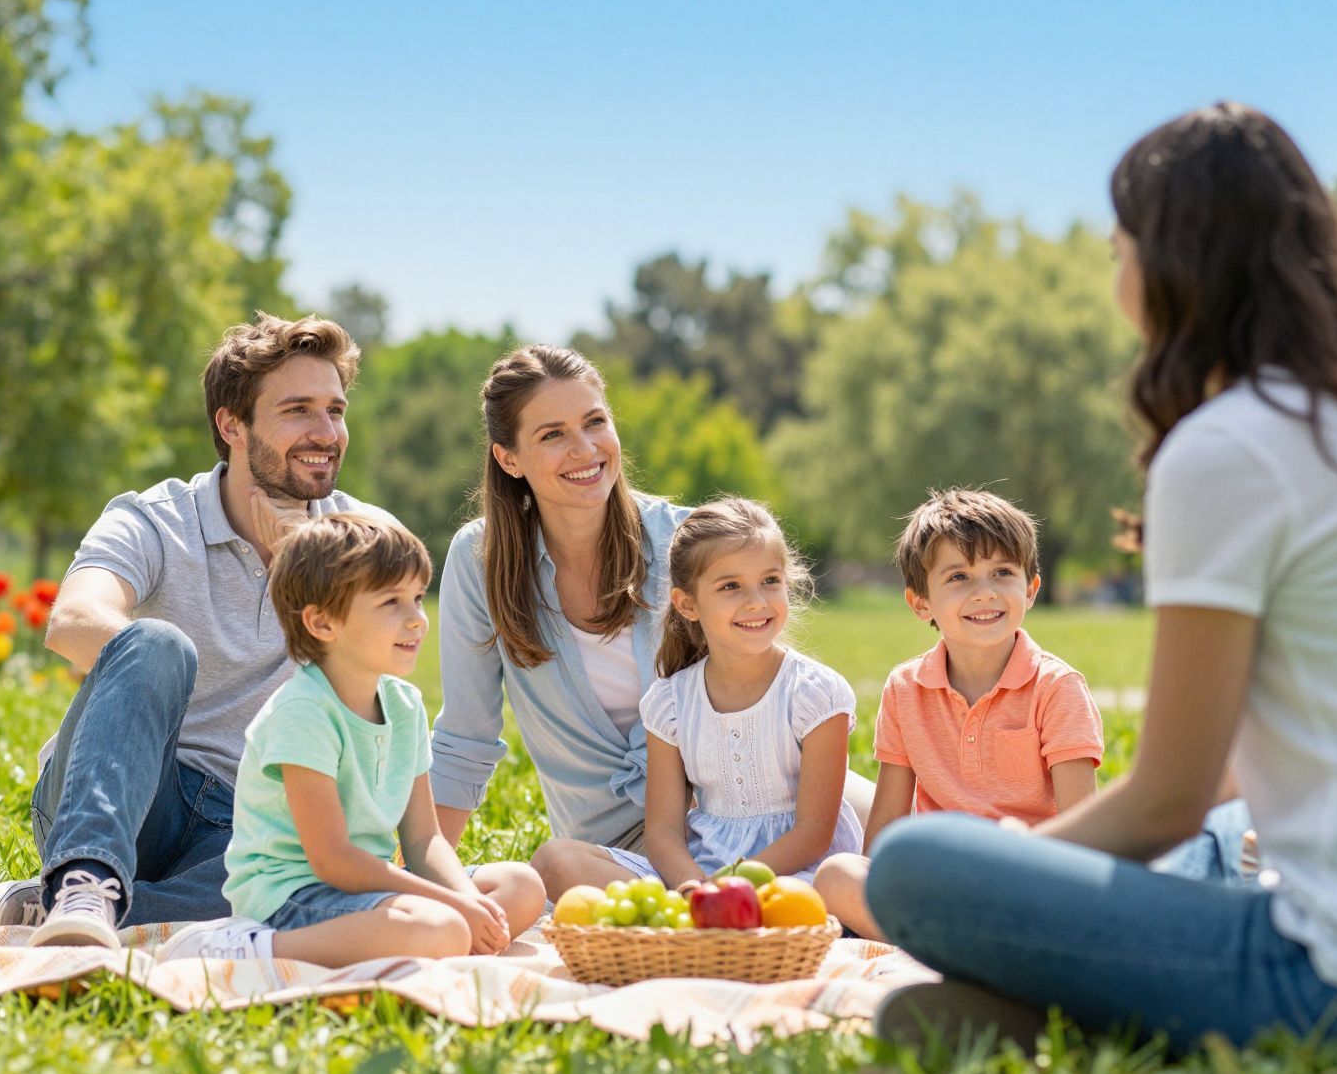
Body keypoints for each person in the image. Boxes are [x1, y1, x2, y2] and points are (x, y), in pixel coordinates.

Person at [869, 103, 1337, 1054]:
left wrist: (1018, 867)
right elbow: (1221, 772)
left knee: (916, 867)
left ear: (1175, 264)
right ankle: (1083, 1018)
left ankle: (1087, 1012)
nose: (1117, 277)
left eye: (1119, 250)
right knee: (1179, 861)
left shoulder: (1227, 449)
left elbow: (1168, 801)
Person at [0, 314, 398, 949]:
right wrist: (153, 671)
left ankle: (64, 909)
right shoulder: (155, 518)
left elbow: (381, 684)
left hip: (248, 824)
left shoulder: (366, 536)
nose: (326, 432)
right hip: (125, 792)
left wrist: (306, 567)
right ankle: (86, 879)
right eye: (298, 410)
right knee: (157, 643)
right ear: (232, 425)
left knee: (312, 879)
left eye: (335, 411)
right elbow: (73, 620)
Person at [429, 346, 874, 856]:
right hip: (619, 842)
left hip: (758, 802)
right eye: (553, 434)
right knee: (559, 865)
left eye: (595, 422)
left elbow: (771, 672)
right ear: (508, 458)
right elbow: (466, 738)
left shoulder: (686, 541)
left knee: (906, 837)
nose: (585, 448)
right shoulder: (481, 559)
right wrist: (425, 875)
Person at [156, 515, 544, 966]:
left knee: (521, 887)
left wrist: (466, 899)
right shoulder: (303, 712)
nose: (417, 620)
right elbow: (333, 861)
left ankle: (418, 941)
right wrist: (453, 908)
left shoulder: (404, 705)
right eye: (391, 602)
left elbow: (424, 839)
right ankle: (248, 950)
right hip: (293, 897)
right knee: (441, 928)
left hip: (368, 886)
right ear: (322, 622)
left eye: (418, 598)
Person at [814, 488, 1103, 941]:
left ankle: (949, 947)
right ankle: (959, 948)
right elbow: (887, 825)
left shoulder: (1057, 688)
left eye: (1002, 572)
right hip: (940, 881)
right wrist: (883, 886)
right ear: (920, 602)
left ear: (1030, 589)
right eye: (959, 577)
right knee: (836, 876)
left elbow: (1084, 834)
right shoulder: (905, 688)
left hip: (1029, 880)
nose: (984, 593)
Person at [532, 498, 862, 895]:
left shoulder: (814, 693)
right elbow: (663, 831)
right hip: (702, 873)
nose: (757, 601)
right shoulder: (671, 703)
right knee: (555, 861)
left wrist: (733, 886)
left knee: (837, 883)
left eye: (770, 581)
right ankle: (695, 918)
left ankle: (706, 922)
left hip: (793, 876)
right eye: (730, 586)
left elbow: (814, 834)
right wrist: (692, 885)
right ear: (687, 604)